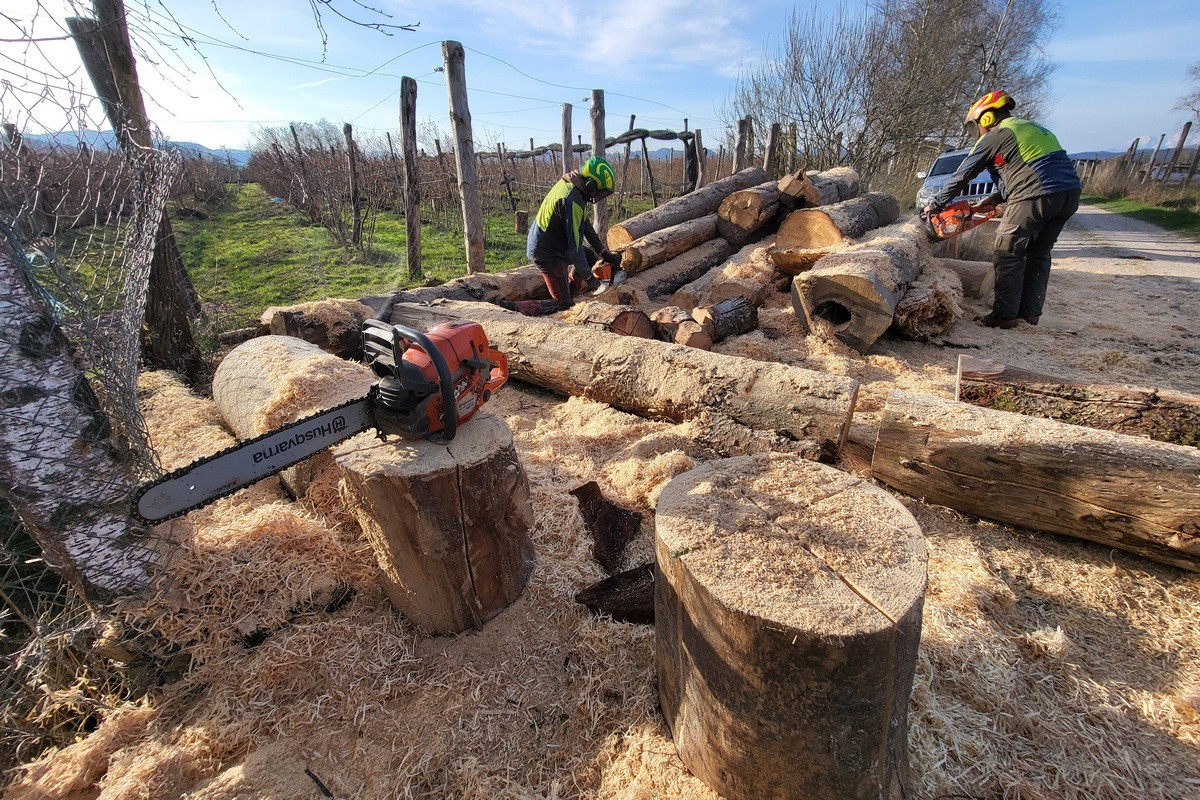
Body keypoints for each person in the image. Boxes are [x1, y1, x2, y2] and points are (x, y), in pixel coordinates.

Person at [924, 90, 1082, 329]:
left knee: (1007, 251)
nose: (975, 131)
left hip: (1034, 196)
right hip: (1068, 196)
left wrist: (935, 205)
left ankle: (1004, 315)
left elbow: (963, 174)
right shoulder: (1032, 129)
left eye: (975, 126)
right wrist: (996, 199)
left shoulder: (998, 134)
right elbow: (1031, 170)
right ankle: (1030, 313)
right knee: (1038, 253)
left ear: (986, 118)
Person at [502, 155, 620, 316]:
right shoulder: (573, 200)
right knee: (562, 304)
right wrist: (592, 282)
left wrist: (603, 252)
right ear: (591, 184)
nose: (597, 194)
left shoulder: (575, 188)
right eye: (598, 190)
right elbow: (575, 248)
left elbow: (585, 226)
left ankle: (569, 292)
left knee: (590, 256)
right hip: (546, 252)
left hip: (556, 245)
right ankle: (510, 308)